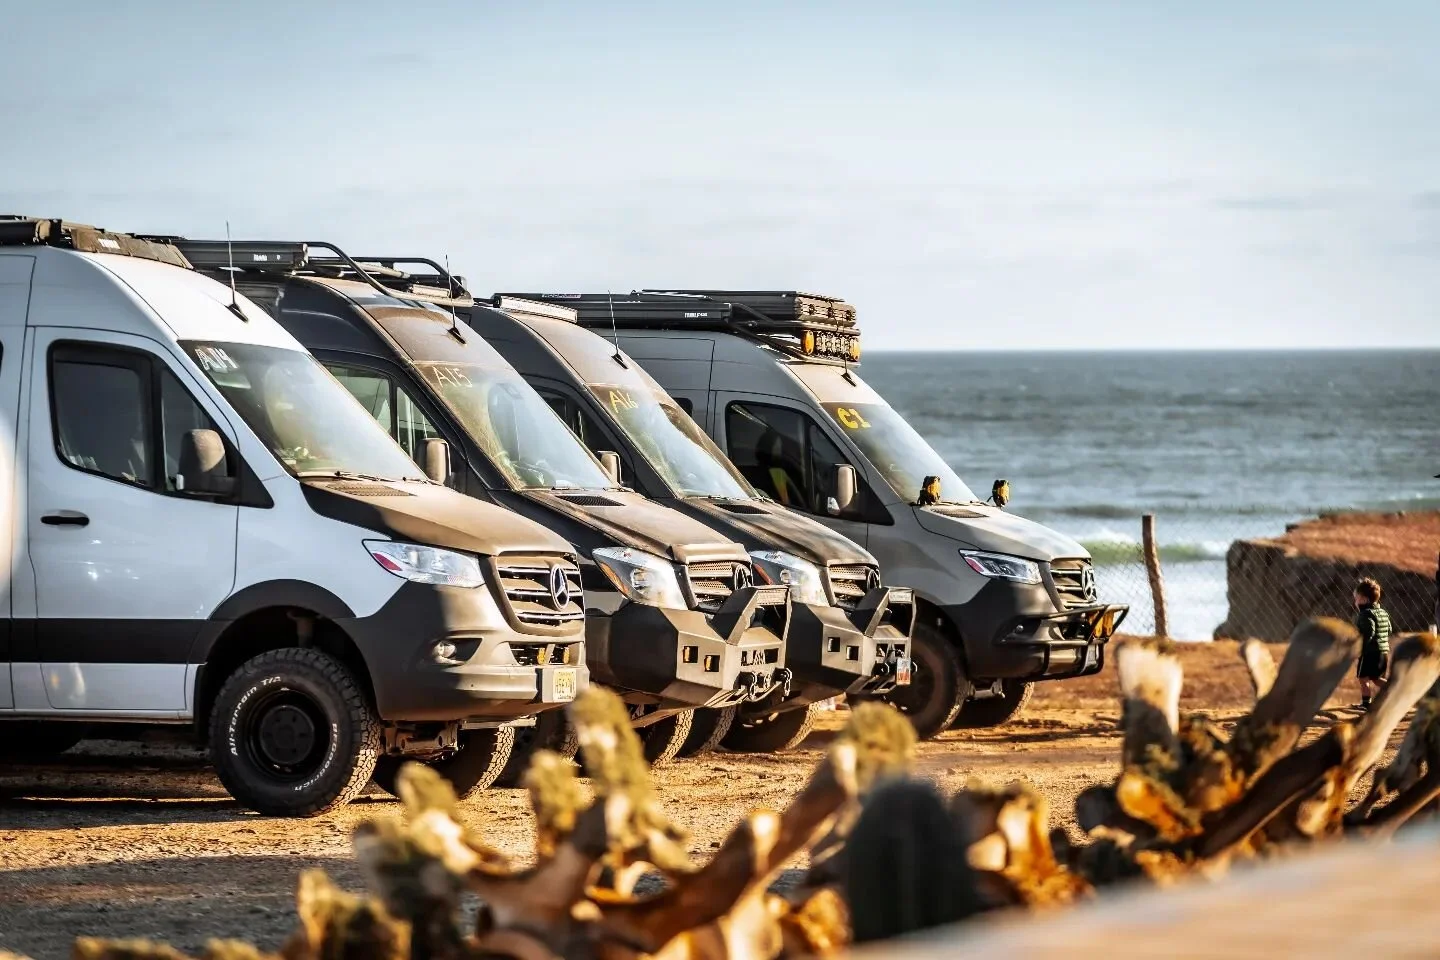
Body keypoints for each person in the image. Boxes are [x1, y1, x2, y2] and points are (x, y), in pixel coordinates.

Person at [1353, 577, 1392, 711]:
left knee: (1363, 678)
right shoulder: (1383, 612)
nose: (1355, 602)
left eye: (1356, 598)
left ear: (1363, 600)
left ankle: (1365, 703)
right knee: (1376, 678)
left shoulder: (1365, 614)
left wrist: (1360, 646)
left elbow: (1369, 632)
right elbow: (1389, 629)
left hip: (1370, 652)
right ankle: (1394, 689)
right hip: (1383, 651)